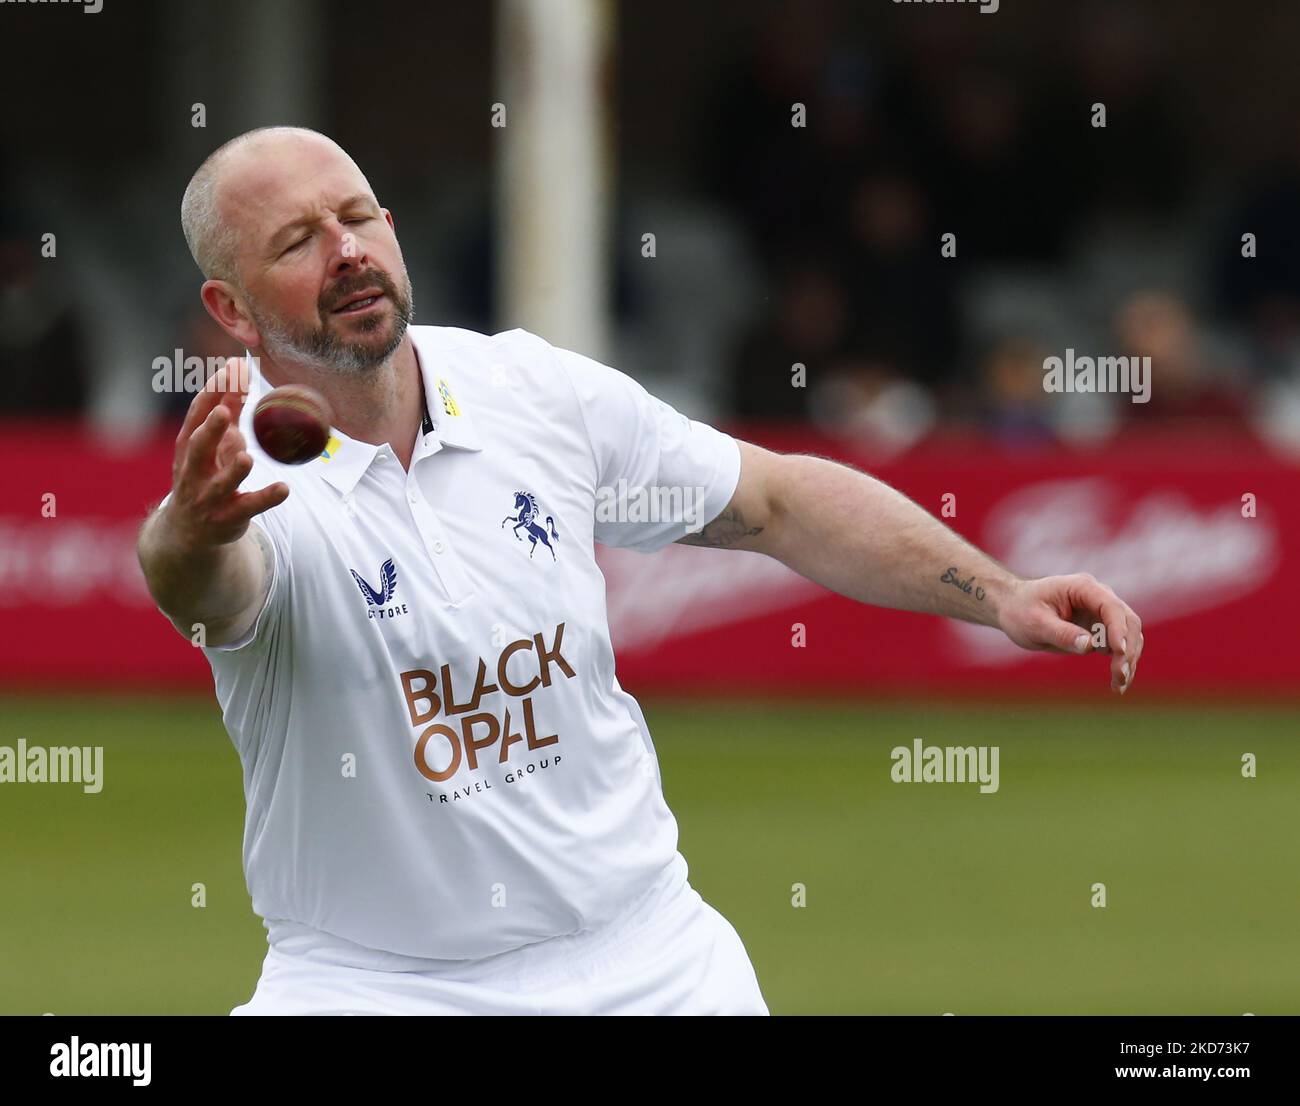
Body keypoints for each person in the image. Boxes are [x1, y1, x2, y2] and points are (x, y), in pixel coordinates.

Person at [136, 127, 1145, 1016]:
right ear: (229, 305)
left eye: (358, 216)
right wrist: (192, 527)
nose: (348, 250)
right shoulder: (238, 478)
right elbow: (201, 582)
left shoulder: (528, 387)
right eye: (298, 240)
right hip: (375, 984)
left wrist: (999, 591)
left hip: (647, 958)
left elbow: (779, 500)